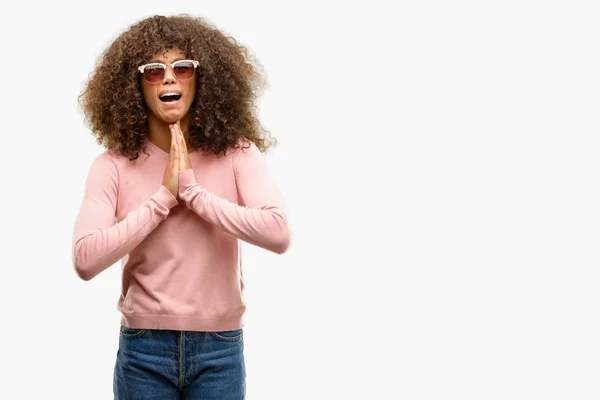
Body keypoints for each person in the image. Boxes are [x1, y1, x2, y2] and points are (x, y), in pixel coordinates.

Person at [72, 14, 291, 399]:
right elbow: (85, 259)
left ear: (202, 79)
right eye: (154, 70)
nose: (169, 77)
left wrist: (192, 192)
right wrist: (163, 198)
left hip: (219, 348)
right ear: (135, 85)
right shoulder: (113, 165)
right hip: (143, 350)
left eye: (183, 67)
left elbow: (278, 233)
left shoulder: (238, 154)